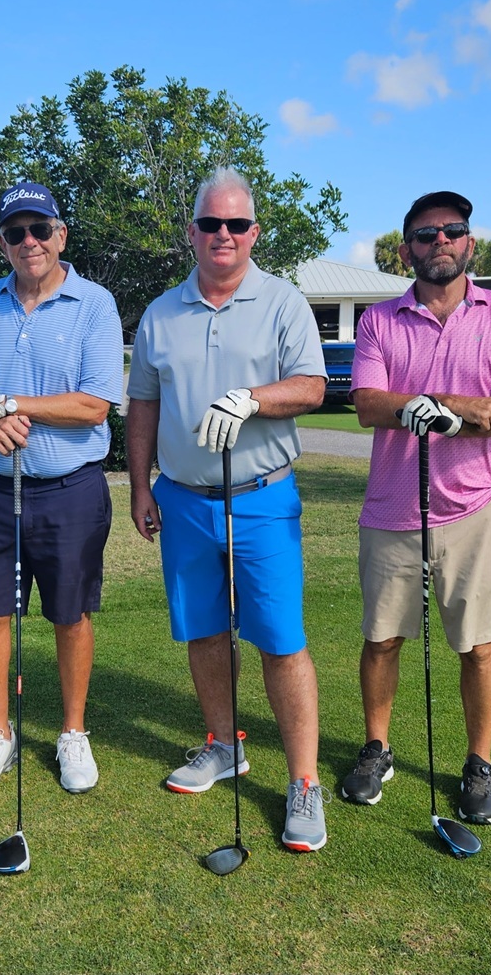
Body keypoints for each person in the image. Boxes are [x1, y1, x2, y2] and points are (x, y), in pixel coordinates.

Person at [126, 166, 331, 852]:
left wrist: (252, 398)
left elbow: (311, 387)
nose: (224, 234)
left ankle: (303, 781)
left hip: (261, 498)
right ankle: (223, 744)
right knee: (205, 632)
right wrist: (139, 486)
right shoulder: (161, 313)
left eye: (236, 224)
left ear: (254, 232)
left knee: (281, 641)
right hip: (183, 500)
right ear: (191, 232)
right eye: (211, 223)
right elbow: (144, 405)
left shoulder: (283, 302)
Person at [342, 190, 491, 825]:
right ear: (407, 252)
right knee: (382, 640)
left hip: (474, 507)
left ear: (469, 242)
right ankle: (377, 748)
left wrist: (464, 411)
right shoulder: (379, 320)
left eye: (452, 230)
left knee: (477, 644)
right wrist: (452, 405)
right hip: (392, 507)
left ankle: (479, 764)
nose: (441, 242)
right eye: (426, 235)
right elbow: (368, 403)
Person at [0, 181, 123, 798]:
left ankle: (73, 732)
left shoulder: (94, 304)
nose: (29, 242)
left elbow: (94, 405)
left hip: (71, 488)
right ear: (3, 243)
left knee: (70, 614)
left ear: (60, 235)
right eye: (16, 233)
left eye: (40, 229)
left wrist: (10, 404)